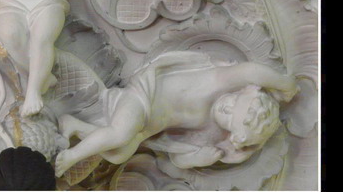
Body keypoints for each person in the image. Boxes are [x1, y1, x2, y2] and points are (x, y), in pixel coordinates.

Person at [54, 51, 298, 177]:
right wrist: (285, 84)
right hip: (142, 95)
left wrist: (199, 158)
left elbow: (178, 157)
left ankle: (74, 125)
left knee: (119, 154)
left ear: (230, 133)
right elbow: (252, 71)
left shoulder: (209, 131)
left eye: (228, 116)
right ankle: (71, 156)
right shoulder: (219, 82)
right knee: (121, 134)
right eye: (234, 101)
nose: (227, 105)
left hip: (144, 129)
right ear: (244, 90)